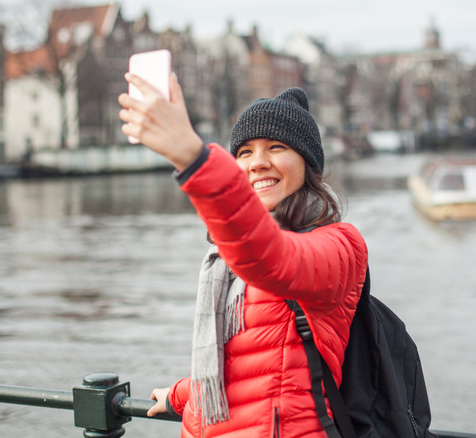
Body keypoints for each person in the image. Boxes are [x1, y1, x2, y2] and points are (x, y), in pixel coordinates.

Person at [118, 73, 368, 437]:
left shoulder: (339, 245)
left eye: (277, 148)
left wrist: (193, 157)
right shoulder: (224, 256)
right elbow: (240, 361)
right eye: (245, 151)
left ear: (307, 162)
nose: (257, 163)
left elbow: (271, 260)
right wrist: (180, 394)